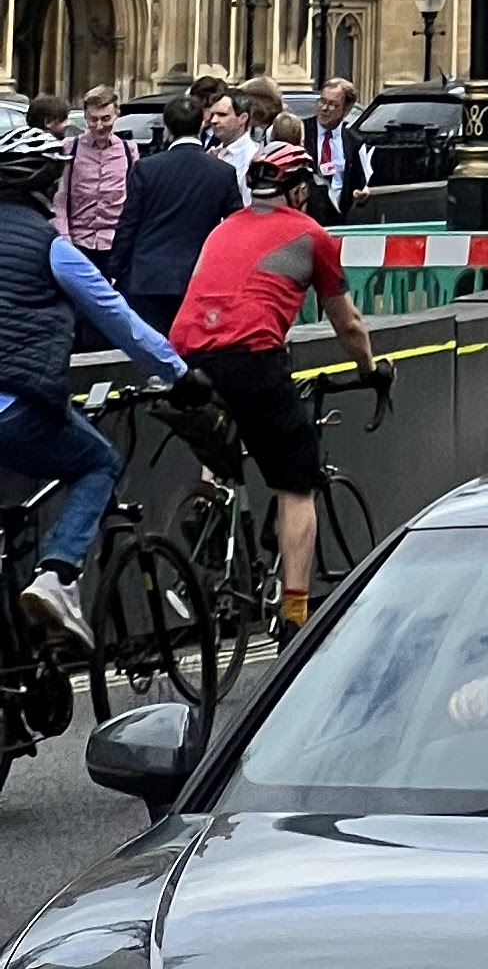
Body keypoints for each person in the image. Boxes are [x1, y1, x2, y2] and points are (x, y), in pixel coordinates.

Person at [172, 143, 381, 637]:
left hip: (186, 355)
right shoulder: (312, 235)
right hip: (252, 356)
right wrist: (371, 369)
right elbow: (348, 324)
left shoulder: (222, 229)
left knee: (222, 439)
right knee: (295, 482)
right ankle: (294, 615)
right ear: (300, 190)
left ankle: (211, 508)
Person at [0, 120, 193, 653]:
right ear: (47, 185)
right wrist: (179, 374)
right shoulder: (51, 248)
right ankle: (58, 575)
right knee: (98, 463)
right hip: (16, 404)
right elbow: (118, 319)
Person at [111, 88, 244, 324]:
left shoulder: (147, 168)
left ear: (167, 128)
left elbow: (128, 224)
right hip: (197, 276)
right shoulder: (223, 172)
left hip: (147, 277)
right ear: (202, 125)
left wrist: (114, 270)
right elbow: (236, 227)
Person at [54, 88, 132, 272]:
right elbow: (60, 198)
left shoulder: (129, 151)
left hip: (115, 245)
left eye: (106, 119)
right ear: (85, 117)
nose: (99, 126)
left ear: (116, 115)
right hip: (79, 243)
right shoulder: (69, 149)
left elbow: (134, 201)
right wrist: (64, 240)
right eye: (93, 119)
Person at [308, 75, 359, 213]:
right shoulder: (302, 132)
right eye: (322, 101)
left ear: (346, 109)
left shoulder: (353, 141)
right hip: (309, 213)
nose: (324, 108)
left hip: (341, 214)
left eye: (332, 104)